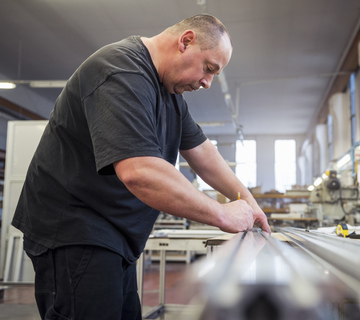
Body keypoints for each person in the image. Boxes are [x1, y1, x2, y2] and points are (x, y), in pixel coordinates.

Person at [12, 14, 271, 320]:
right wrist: (221, 213)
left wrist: (249, 203)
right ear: (186, 41)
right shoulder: (120, 70)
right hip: (74, 230)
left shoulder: (170, 94)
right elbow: (139, 172)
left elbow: (202, 152)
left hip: (113, 236)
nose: (207, 83)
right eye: (209, 68)